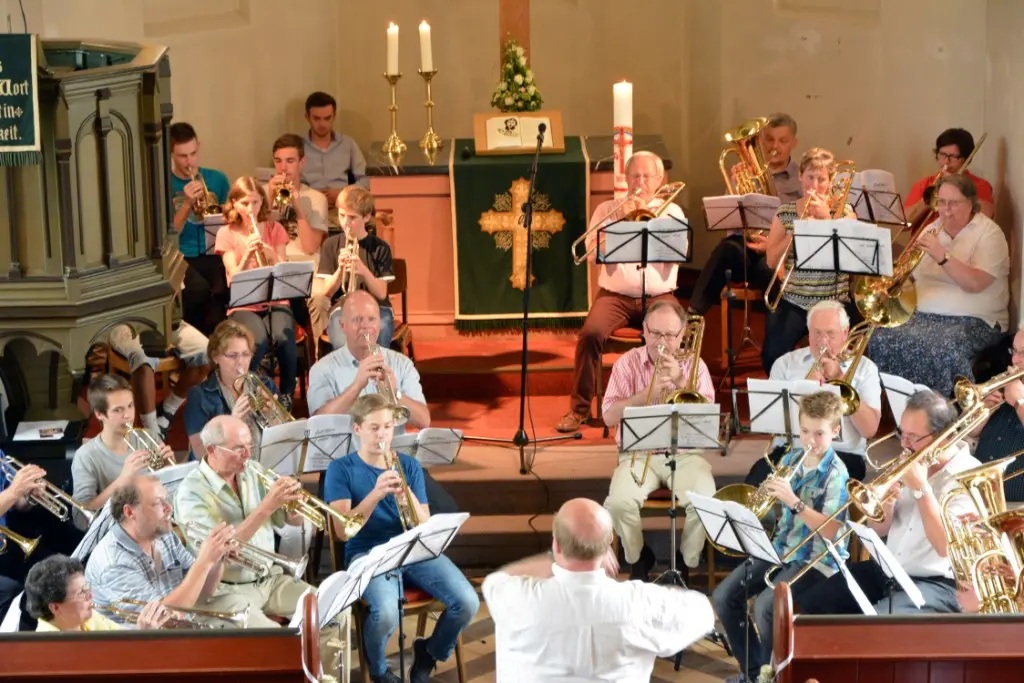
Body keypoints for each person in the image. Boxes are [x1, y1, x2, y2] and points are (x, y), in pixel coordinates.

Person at [174, 413, 346, 673]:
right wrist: (267, 506)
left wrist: (294, 506)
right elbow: (219, 551)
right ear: (212, 450)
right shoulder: (190, 492)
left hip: (270, 578)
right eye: (238, 449)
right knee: (276, 639)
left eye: (250, 446)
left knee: (335, 613)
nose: (247, 455)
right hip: (225, 589)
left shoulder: (252, 471)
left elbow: (290, 521)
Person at [324, 394, 479, 683]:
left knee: (468, 602)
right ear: (357, 429)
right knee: (386, 614)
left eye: (387, 427)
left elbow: (424, 523)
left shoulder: (407, 465)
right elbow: (342, 531)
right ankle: (379, 671)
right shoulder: (340, 469)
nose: (382, 435)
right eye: (374, 428)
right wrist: (376, 494)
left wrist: (408, 497)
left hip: (413, 547)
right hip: (368, 554)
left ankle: (429, 654)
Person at [482, 498, 714, 683]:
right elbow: (703, 612)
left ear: (556, 544)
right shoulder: (640, 603)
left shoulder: (518, 597)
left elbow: (495, 581)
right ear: (609, 542)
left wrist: (550, 560)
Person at [712, 391, 850, 683]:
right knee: (723, 597)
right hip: (782, 549)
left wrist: (794, 502)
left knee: (766, 606)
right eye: (805, 431)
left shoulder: (837, 473)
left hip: (817, 560)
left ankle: (774, 676)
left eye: (819, 433)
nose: (810, 441)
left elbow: (832, 530)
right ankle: (755, 673)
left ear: (835, 431)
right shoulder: (791, 458)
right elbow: (775, 512)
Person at [799, 390, 976, 616]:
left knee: (879, 624)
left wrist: (921, 490)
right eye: (902, 433)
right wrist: (886, 505)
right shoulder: (911, 460)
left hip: (936, 583)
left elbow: (945, 548)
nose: (904, 444)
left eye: (913, 437)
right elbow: (879, 530)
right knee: (815, 603)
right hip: (888, 571)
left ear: (943, 437)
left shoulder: (969, 475)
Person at [557, 151, 687, 433]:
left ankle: (673, 402)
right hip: (615, 296)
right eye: (635, 176)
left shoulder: (672, 212)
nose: (640, 182)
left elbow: (679, 253)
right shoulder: (607, 210)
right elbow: (592, 254)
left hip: (658, 296)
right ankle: (579, 409)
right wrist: (622, 220)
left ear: (659, 179)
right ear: (626, 179)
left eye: (647, 176)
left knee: (677, 334)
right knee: (590, 334)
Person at [309, 291, 457, 513]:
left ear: (380, 324)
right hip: (347, 468)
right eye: (357, 320)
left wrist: (395, 394)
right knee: (355, 522)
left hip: (395, 464)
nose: (366, 327)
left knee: (446, 510)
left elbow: (423, 420)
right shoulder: (323, 369)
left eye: (371, 319)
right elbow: (318, 423)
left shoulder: (401, 364)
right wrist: (356, 385)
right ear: (343, 326)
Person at [601, 300, 716, 581]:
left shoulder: (695, 365)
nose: (662, 342)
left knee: (706, 501)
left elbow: (708, 416)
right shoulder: (626, 364)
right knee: (619, 503)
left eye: (670, 335)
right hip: (638, 454)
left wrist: (680, 381)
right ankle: (638, 559)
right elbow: (608, 416)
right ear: (643, 329)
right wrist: (643, 397)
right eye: (655, 334)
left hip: (686, 454)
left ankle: (686, 561)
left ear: (682, 334)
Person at [868, 174, 1009, 396]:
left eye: (954, 203)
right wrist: (894, 283)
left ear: (971, 203)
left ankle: (943, 410)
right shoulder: (931, 230)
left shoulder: (989, 233)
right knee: (880, 337)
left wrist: (942, 256)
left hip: (976, 319)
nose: (946, 210)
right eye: (941, 202)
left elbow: (974, 283)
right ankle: (895, 404)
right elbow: (912, 278)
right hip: (923, 314)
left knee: (943, 348)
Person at [748, 300, 881, 484]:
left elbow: (870, 429)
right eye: (817, 333)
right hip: (791, 451)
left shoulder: (865, 368)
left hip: (843, 454)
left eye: (830, 333)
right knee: (755, 481)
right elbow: (770, 424)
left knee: (815, 491)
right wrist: (805, 390)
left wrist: (842, 380)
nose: (823, 341)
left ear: (845, 333)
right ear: (808, 333)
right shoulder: (785, 364)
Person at [685, 113, 804, 315]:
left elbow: (805, 224)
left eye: (782, 141)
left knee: (770, 270)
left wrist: (775, 244)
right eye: (769, 139)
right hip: (746, 248)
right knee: (726, 249)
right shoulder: (745, 173)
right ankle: (692, 315)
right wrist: (735, 185)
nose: (774, 146)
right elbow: (727, 219)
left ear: (794, 143)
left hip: (780, 253)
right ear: (761, 140)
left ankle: (779, 327)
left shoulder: (801, 179)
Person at [761, 147, 857, 373]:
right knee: (772, 354)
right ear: (800, 176)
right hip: (795, 299)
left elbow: (852, 258)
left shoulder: (845, 212)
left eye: (821, 179)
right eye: (810, 177)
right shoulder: (785, 212)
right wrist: (795, 233)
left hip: (834, 300)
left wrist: (825, 219)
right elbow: (772, 261)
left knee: (852, 352)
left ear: (831, 181)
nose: (814, 185)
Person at [85, 475, 233, 620]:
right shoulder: (113, 565)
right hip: (154, 634)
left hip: (184, 623)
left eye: (166, 500)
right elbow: (164, 620)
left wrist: (217, 560)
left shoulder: (163, 535)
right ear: (130, 512)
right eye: (158, 503)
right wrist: (203, 562)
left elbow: (202, 593)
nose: (169, 508)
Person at [215, 175, 298, 411]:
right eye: (245, 203)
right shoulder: (226, 233)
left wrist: (271, 254)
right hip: (244, 304)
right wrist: (248, 255)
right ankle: (247, 392)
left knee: (285, 339)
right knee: (257, 341)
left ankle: (287, 395)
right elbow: (233, 277)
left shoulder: (274, 228)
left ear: (263, 201)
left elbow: (284, 270)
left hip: (276, 300)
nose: (251, 209)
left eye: (256, 202)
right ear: (234, 203)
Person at [71, 374, 175, 516]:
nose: (128, 415)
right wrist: (123, 480)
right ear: (99, 414)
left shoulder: (148, 437)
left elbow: (171, 496)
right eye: (118, 410)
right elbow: (80, 517)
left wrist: (170, 470)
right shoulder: (85, 456)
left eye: (130, 406)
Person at [310, 186, 395, 347]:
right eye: (342, 215)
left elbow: (381, 293)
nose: (345, 223)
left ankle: (374, 363)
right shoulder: (330, 245)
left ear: (367, 217)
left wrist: (362, 269)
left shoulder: (380, 247)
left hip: (377, 308)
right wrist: (340, 269)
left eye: (352, 217)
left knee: (381, 331)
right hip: (343, 307)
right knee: (340, 335)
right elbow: (327, 292)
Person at [168, 122, 232, 336]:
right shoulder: (164, 184)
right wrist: (187, 204)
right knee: (197, 290)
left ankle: (219, 343)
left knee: (224, 287)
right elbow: (169, 236)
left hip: (214, 250)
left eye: (193, 154)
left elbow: (232, 221)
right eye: (182, 156)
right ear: (171, 154)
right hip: (183, 255)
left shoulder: (218, 179)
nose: (190, 162)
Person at [183, 319, 278, 462]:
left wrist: (273, 415)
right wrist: (232, 422)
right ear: (215, 357)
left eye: (246, 354)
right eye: (233, 355)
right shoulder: (199, 396)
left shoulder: (266, 385)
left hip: (262, 467)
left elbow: (284, 439)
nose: (240, 362)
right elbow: (200, 455)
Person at [105, 321, 208, 440]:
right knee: (142, 356)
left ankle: (167, 410)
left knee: (206, 351)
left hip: (165, 322)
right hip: (125, 324)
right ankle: (152, 433)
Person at [25, 554, 169, 631]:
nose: (91, 596)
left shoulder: (90, 618)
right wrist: (144, 638)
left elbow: (123, 643)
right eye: (82, 592)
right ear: (55, 607)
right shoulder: (48, 648)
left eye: (87, 588)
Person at [970, 327, 1024, 502]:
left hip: (1016, 507)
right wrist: (982, 411)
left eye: (1023, 353)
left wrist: (1019, 402)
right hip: (977, 495)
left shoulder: (1016, 394)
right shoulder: (1007, 384)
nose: (1014, 360)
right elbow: (970, 434)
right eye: (1014, 351)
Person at [904, 128, 994, 224]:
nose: (946, 161)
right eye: (942, 154)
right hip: (925, 234)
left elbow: (987, 217)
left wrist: (956, 186)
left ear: (966, 159)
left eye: (953, 156)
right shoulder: (925, 183)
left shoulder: (979, 184)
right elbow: (904, 224)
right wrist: (928, 199)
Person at [266, 133, 330, 261]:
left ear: (302, 162)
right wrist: (269, 198)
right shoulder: (261, 193)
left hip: (303, 262)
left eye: (290, 161)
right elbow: (254, 238)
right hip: (270, 261)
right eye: (278, 161)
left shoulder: (317, 199)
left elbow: (310, 248)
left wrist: (298, 207)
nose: (283, 168)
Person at [301, 91, 369, 204]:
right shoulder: (298, 146)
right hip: (308, 205)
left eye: (327, 118)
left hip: (344, 204)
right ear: (307, 118)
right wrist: (312, 195)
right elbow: (290, 182)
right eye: (316, 119)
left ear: (334, 117)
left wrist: (344, 193)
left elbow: (365, 179)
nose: (322, 124)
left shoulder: (347, 144)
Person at [0, 452, 46, 618]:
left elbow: (17, 503)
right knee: (14, 593)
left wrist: (30, 495)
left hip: (5, 548)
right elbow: (11, 493)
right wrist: (14, 491)